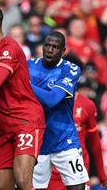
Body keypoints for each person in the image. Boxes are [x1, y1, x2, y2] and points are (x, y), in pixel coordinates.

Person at [0, 3, 45, 190]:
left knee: (22, 181)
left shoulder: (9, 47)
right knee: (2, 187)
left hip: (24, 121)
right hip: (1, 130)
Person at [27, 31, 89, 190]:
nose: (49, 49)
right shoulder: (28, 66)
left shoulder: (70, 69)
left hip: (64, 139)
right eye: (47, 45)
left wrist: (25, 84)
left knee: (77, 187)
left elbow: (52, 100)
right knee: (34, 187)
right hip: (38, 140)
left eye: (55, 47)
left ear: (63, 51)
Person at [46, 55, 107, 190]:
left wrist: (101, 174)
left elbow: (95, 142)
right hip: (52, 171)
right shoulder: (47, 99)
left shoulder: (88, 105)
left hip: (79, 169)